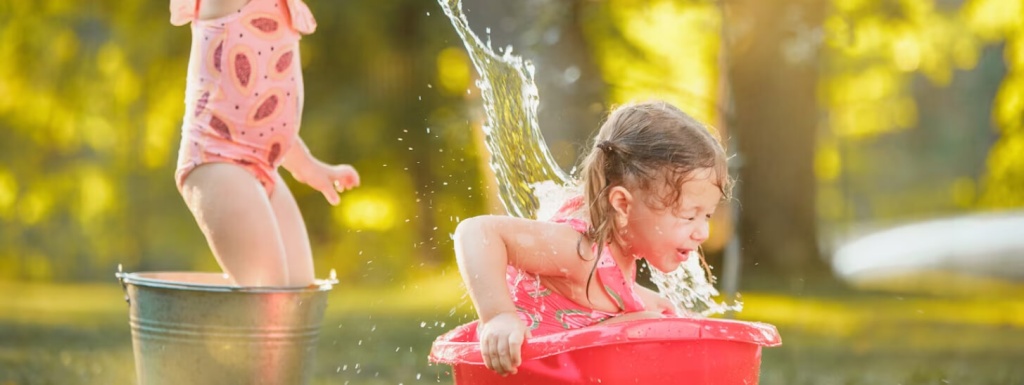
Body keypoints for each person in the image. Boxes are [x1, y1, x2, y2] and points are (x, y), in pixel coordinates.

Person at [453, 100, 731, 375]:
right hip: (523, 377)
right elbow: (479, 232)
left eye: (706, 215)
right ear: (623, 204)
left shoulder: (614, 249)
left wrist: (637, 297)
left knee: (653, 322)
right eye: (688, 215)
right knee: (648, 326)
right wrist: (499, 316)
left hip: (567, 374)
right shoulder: (579, 249)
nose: (702, 232)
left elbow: (592, 295)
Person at [169, 0, 359, 287]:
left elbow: (262, 112)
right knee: (268, 293)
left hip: (263, 164)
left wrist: (307, 165)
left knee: (299, 290)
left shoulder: (283, 7)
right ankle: (247, 327)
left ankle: (240, 329)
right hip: (217, 158)